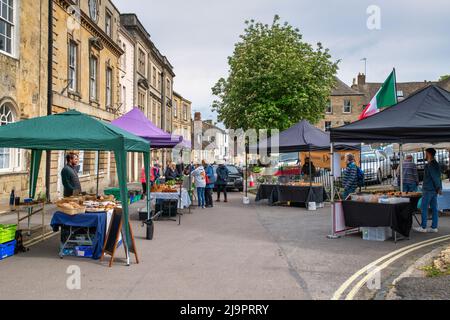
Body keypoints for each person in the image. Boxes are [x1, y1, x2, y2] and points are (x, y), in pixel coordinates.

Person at [415, 148, 442, 233]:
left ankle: (423, 227)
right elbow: (438, 177)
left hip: (428, 189)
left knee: (424, 208)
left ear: (429, 154)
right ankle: (434, 227)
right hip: (433, 190)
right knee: (434, 208)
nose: (425, 155)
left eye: (426, 153)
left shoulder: (430, 165)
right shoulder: (436, 164)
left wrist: (439, 188)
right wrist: (438, 187)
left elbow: (435, 177)